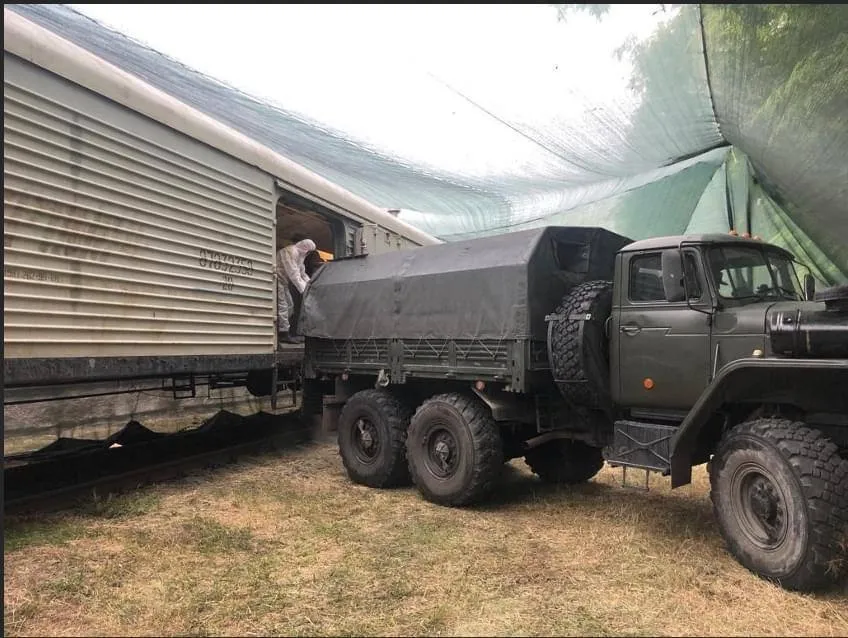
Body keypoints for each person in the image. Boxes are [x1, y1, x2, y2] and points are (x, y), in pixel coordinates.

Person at [276, 238, 316, 345]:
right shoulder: (290, 252)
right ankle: (283, 334)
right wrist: (304, 291)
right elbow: (294, 274)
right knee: (283, 305)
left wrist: (311, 285)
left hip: (284, 282)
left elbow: (302, 273)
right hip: (277, 280)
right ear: (306, 249)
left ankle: (284, 330)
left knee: (289, 306)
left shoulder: (300, 255)